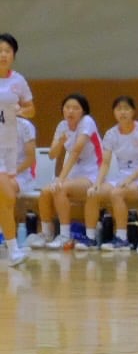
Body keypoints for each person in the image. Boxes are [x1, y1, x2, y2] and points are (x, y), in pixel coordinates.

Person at [27, 94, 100, 250]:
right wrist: (60, 142)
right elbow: (52, 155)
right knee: (45, 192)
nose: (70, 111)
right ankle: (47, 234)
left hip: (93, 174)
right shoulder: (62, 126)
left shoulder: (87, 122)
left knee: (60, 188)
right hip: (72, 176)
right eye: (67, 107)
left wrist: (60, 179)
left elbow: (76, 151)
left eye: (75, 108)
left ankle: (65, 235)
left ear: (83, 111)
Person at [82, 96, 138, 251]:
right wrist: (97, 183)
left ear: (133, 112)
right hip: (120, 178)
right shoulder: (111, 134)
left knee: (116, 193)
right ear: (114, 112)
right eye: (119, 109)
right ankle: (90, 238)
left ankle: (122, 239)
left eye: (126, 108)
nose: (123, 112)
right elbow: (105, 163)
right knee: (93, 194)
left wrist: (130, 179)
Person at [0, 33, 34, 266]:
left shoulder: (18, 81)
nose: (3, 55)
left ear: (13, 55)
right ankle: (13, 249)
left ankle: (13, 250)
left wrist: (23, 111)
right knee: (7, 195)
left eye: (7, 51)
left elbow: (31, 108)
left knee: (6, 199)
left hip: (9, 147)